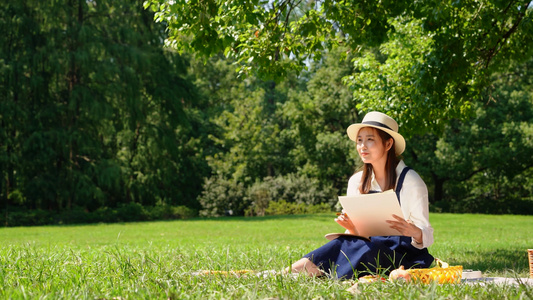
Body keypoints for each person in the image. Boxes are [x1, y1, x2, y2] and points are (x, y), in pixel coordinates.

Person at [287, 111, 434, 279]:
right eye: (359, 140)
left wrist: (413, 231)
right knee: (342, 243)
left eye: (370, 140)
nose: (363, 146)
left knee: (363, 247)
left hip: (402, 256)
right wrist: (352, 228)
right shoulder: (357, 181)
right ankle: (286, 273)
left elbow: (427, 235)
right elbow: (360, 234)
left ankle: (311, 273)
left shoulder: (411, 181)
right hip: (367, 246)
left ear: (388, 144)